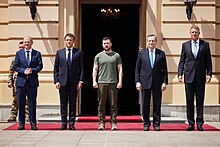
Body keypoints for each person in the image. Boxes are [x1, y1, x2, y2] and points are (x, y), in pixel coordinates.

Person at [178, 25, 212, 131]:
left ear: (199, 33)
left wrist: (209, 74)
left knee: (200, 101)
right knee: (189, 100)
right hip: (188, 77)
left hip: (200, 77)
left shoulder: (205, 45)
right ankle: (191, 123)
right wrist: (180, 74)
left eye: (195, 32)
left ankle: (200, 123)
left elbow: (208, 61)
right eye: (192, 32)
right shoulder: (185, 45)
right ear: (190, 33)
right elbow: (182, 61)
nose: (194, 34)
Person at [135, 34, 168, 131]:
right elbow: (137, 69)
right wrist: (137, 82)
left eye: (153, 41)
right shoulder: (142, 54)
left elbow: (165, 70)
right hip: (145, 82)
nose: (151, 43)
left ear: (156, 42)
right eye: (149, 41)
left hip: (158, 83)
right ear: (147, 42)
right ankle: (146, 124)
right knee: (145, 105)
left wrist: (164, 82)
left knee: (157, 104)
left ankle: (156, 124)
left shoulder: (161, 54)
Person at [54, 33, 84, 130]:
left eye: (70, 40)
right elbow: (55, 68)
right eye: (67, 40)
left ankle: (71, 124)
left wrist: (80, 81)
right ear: (65, 41)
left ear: (73, 41)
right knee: (63, 103)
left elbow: (82, 68)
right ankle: (63, 123)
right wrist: (56, 81)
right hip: (62, 82)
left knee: (72, 103)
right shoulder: (59, 53)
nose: (69, 41)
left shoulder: (78, 52)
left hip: (74, 82)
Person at [92, 37, 123, 131]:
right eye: (104, 43)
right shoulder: (98, 56)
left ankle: (113, 123)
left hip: (113, 82)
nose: (106, 45)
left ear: (111, 44)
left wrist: (120, 81)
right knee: (101, 104)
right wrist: (94, 80)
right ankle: (101, 123)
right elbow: (95, 69)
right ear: (102, 45)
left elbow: (120, 69)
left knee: (113, 104)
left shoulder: (116, 55)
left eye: (108, 43)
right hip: (101, 82)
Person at [14, 36, 43, 130]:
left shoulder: (37, 54)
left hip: (32, 82)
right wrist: (23, 71)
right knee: (21, 104)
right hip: (21, 81)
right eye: (24, 42)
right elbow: (16, 66)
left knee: (32, 104)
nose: (26, 44)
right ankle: (21, 124)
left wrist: (32, 70)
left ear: (32, 43)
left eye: (28, 42)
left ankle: (33, 123)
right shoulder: (18, 54)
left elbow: (40, 66)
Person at [7, 41, 29, 122]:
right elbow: (11, 70)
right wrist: (9, 81)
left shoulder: (27, 57)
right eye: (19, 47)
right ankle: (13, 114)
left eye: (22, 47)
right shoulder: (16, 57)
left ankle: (27, 115)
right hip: (17, 81)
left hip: (26, 80)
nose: (21, 49)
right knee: (16, 99)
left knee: (26, 99)